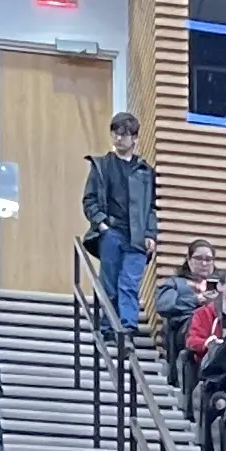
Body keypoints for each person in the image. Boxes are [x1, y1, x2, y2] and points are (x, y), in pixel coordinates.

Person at [82, 109, 157, 330]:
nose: (118, 138)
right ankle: (107, 327)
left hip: (137, 236)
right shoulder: (102, 165)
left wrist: (151, 234)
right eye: (115, 132)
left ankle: (127, 327)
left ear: (134, 137)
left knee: (129, 283)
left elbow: (153, 207)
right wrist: (102, 223)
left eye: (123, 133)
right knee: (109, 283)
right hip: (111, 231)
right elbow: (89, 199)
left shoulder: (145, 171)